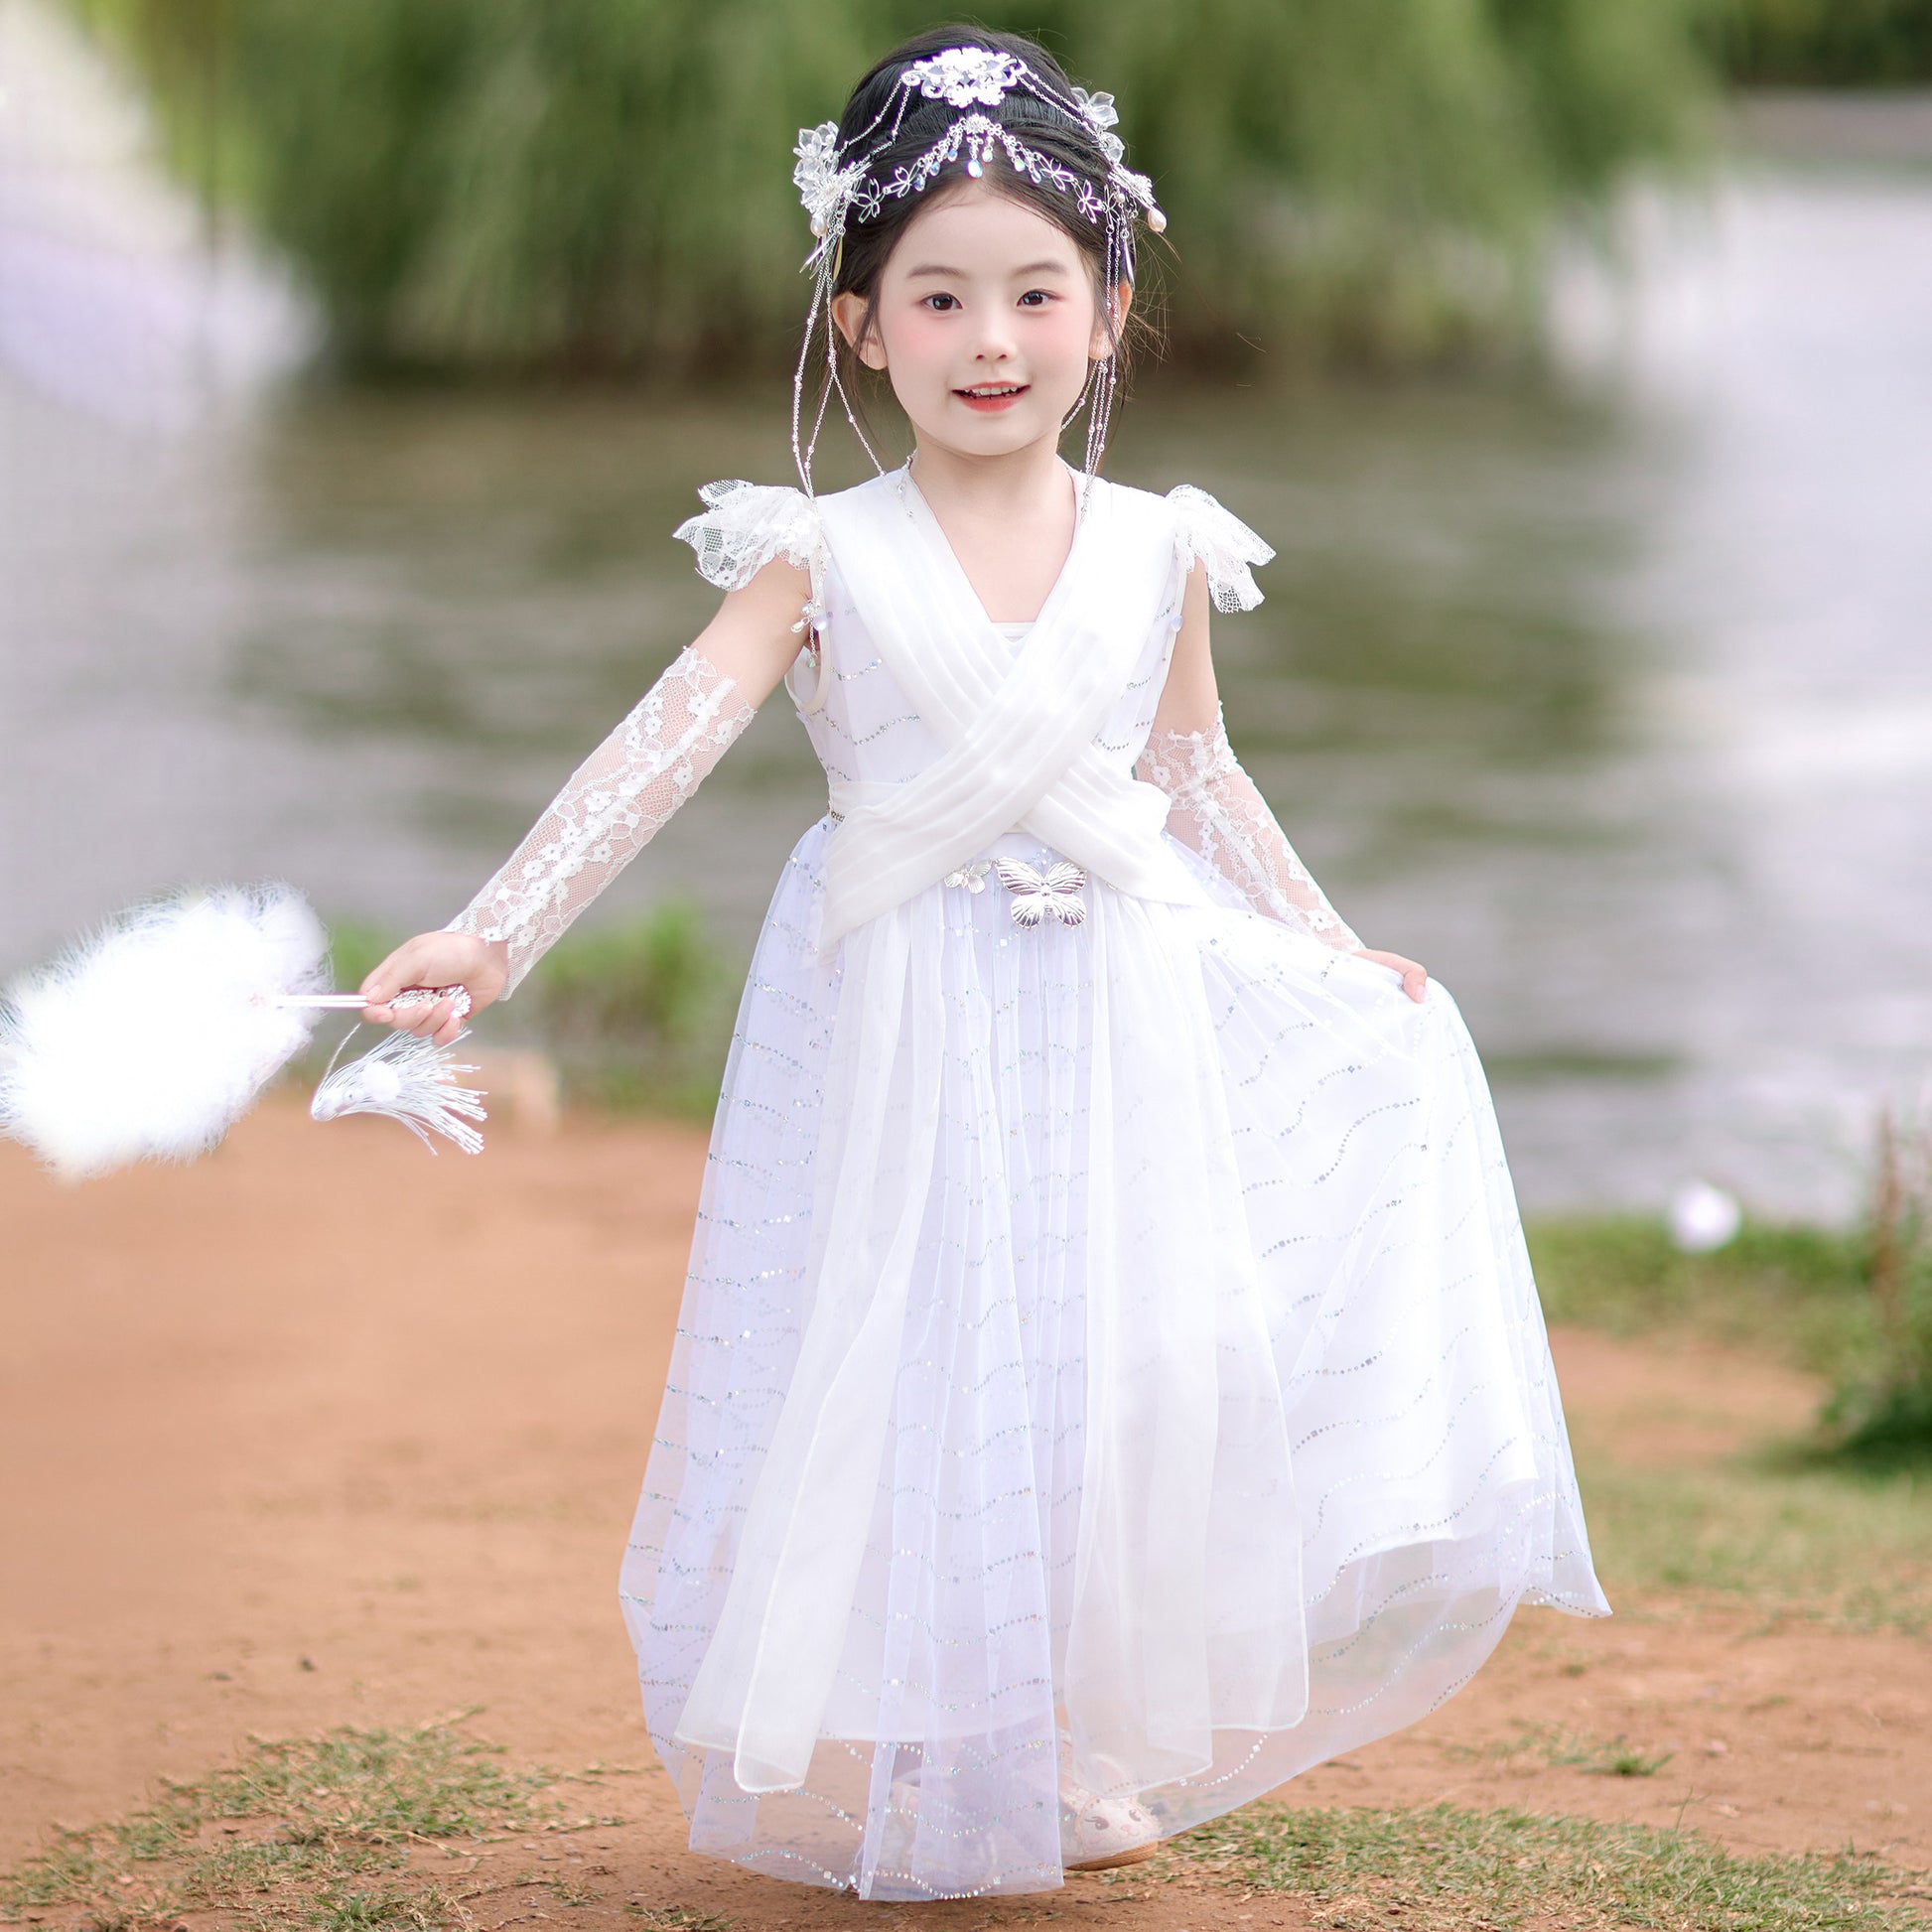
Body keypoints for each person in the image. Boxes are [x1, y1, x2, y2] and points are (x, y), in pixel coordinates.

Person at [357, 25, 1610, 1904]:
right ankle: (953, 1736)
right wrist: (494, 931)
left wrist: (1333, 950)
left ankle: (1071, 1729)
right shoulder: (816, 556)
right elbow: (665, 743)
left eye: (1034, 292)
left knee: (1125, 1350)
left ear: (1108, 310)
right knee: (930, 1348)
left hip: (1124, 1000)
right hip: (903, 1011)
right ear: (861, 325)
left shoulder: (1158, 547)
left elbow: (1192, 771)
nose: (990, 338)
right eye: (935, 298)